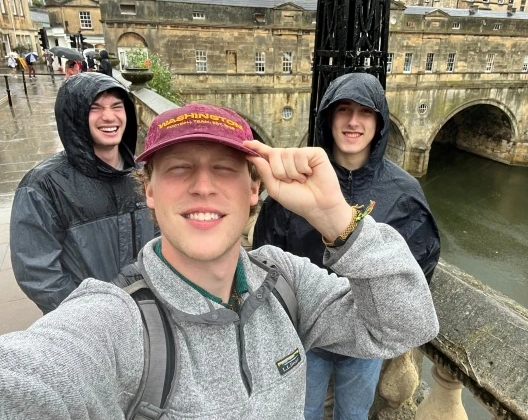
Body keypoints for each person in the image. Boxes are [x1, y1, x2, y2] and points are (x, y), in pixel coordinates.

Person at [0, 103, 438, 419]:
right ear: (149, 191)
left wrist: (338, 220)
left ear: (254, 190)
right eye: (179, 168)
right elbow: (30, 380)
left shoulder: (284, 281)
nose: (203, 186)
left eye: (225, 168)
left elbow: (406, 326)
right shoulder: (117, 322)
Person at [253, 72, 441, 420]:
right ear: (328, 117)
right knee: (303, 410)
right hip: (308, 330)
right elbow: (267, 253)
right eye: (343, 110)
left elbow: (420, 264)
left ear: (379, 122)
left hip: (366, 335)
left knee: (354, 412)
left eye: (365, 112)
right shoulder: (294, 184)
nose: (353, 122)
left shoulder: (403, 192)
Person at [10, 72, 156, 314]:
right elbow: (38, 274)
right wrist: (89, 317)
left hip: (149, 317)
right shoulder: (44, 186)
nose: (109, 117)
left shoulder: (145, 173)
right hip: (90, 324)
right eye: (95, 108)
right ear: (75, 117)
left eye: (117, 106)